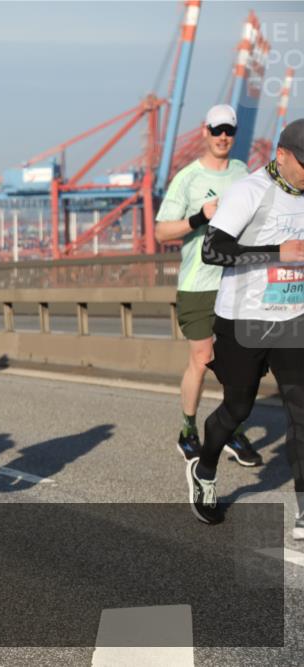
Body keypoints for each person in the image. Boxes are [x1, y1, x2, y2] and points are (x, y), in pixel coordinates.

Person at [186, 118, 304, 541]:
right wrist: (277, 252)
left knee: (300, 412)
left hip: (292, 319)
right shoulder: (250, 192)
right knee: (238, 409)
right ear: (282, 155)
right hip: (242, 321)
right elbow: (212, 249)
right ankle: (205, 468)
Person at [155, 104, 260, 466]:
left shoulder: (243, 173)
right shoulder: (188, 178)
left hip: (237, 281)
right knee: (202, 359)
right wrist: (201, 217)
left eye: (229, 130)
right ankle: (188, 429)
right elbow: (161, 231)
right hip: (199, 284)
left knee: (240, 362)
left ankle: (231, 427)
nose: (223, 137)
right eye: (217, 130)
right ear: (205, 131)